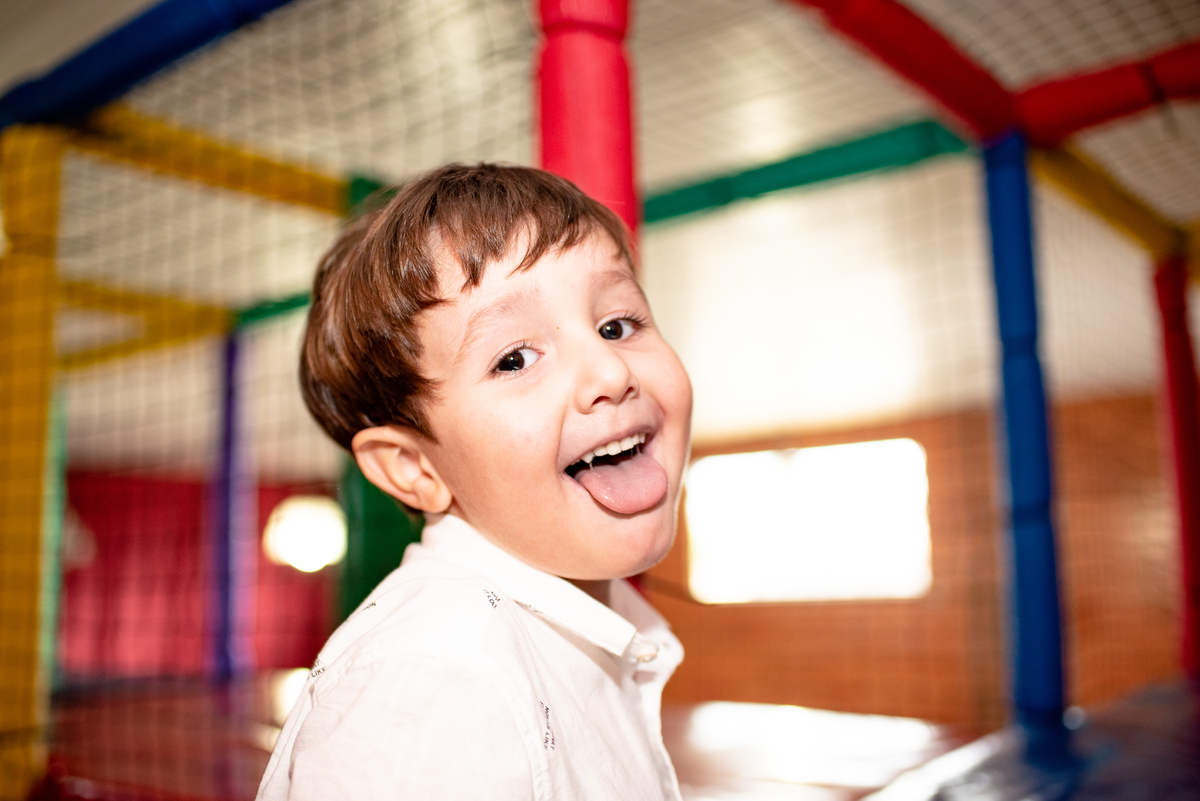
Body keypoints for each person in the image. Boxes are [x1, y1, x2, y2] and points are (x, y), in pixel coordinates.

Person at [257, 163, 693, 800]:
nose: (610, 370)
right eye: (514, 359)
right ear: (415, 468)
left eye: (617, 326)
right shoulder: (435, 674)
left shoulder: (564, 633)